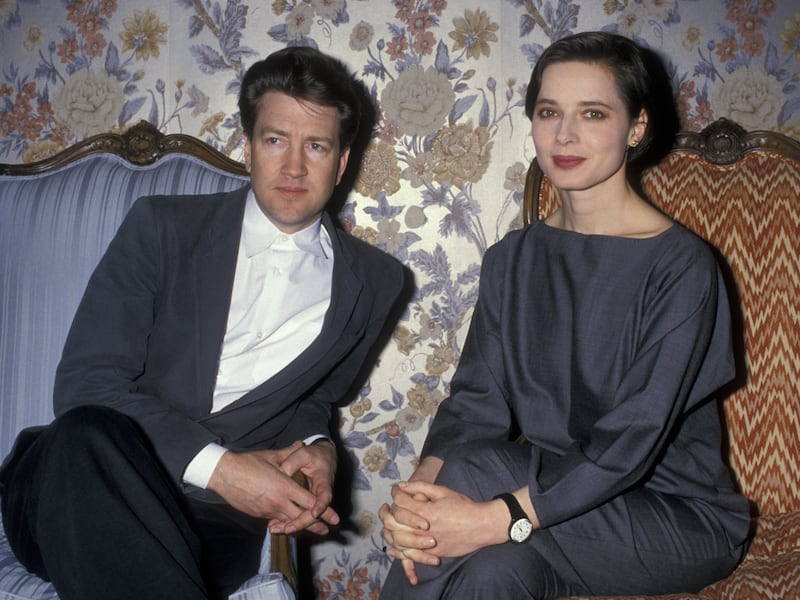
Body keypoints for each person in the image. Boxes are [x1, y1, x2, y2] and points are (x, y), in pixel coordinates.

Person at [0, 46, 407, 600]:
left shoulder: (376, 282)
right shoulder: (161, 229)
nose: (293, 167)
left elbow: (315, 396)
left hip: (215, 525)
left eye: (315, 145)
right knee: (87, 431)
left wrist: (319, 446)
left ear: (341, 162)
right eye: (274, 140)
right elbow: (84, 384)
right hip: (77, 482)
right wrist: (222, 469)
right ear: (247, 148)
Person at [378, 31, 750, 599]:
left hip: (675, 521)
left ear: (637, 127)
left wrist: (491, 520)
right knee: (491, 574)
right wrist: (419, 498)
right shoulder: (512, 261)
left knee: (478, 472)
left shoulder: (682, 267)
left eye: (593, 113)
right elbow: (476, 404)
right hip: (558, 506)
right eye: (549, 111)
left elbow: (627, 446)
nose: (565, 134)